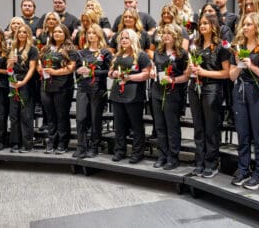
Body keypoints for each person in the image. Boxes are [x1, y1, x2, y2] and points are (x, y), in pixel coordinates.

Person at [229, 13, 259, 188]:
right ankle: (243, 169)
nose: (245, 27)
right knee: (242, 134)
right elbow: (232, 76)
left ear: (257, 26)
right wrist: (239, 65)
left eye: (249, 24)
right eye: (244, 24)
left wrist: (252, 66)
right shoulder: (238, 47)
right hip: (240, 90)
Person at [188, 14, 231, 178]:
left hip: (212, 88)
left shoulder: (221, 47)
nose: (202, 26)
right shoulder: (195, 45)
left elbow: (227, 73)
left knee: (211, 128)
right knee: (198, 127)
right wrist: (191, 68)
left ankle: (211, 163)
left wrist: (205, 72)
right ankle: (199, 161)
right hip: (195, 87)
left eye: (206, 23)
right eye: (201, 24)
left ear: (213, 26)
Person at [108, 29, 151, 164]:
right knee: (119, 125)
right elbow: (110, 72)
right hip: (118, 94)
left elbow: (146, 74)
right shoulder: (117, 55)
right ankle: (120, 151)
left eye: (127, 38)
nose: (124, 40)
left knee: (136, 125)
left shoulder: (141, 55)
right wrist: (113, 74)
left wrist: (128, 77)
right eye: (122, 38)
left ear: (133, 39)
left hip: (134, 95)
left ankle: (137, 153)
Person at [150, 24, 189, 170]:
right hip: (157, 91)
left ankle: (173, 157)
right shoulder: (158, 52)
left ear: (176, 36)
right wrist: (152, 73)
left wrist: (174, 80)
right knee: (159, 126)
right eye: (164, 33)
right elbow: (153, 68)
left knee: (171, 126)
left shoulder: (182, 54)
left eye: (169, 33)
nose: (165, 36)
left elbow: (186, 76)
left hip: (173, 92)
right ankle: (163, 155)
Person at [74, 24, 112, 158]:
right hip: (83, 88)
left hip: (97, 89)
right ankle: (81, 146)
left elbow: (109, 72)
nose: (91, 35)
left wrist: (93, 71)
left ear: (99, 35)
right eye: (89, 33)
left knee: (95, 119)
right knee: (80, 118)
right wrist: (78, 71)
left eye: (94, 33)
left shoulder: (105, 52)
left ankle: (94, 146)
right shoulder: (81, 53)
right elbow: (76, 70)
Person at [39, 24, 77, 154]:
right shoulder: (46, 48)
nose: (57, 34)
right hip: (46, 85)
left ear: (65, 34)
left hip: (63, 86)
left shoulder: (71, 49)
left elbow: (71, 68)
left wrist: (55, 72)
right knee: (50, 116)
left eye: (60, 32)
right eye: (55, 31)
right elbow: (39, 62)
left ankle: (62, 143)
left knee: (61, 115)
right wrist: (40, 68)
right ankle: (51, 141)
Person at [7, 24, 38, 153]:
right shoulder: (12, 48)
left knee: (26, 114)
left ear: (28, 34)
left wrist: (23, 82)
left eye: (24, 32)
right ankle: (15, 143)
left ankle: (27, 144)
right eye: (19, 32)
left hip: (26, 82)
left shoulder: (32, 49)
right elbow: (9, 69)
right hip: (13, 81)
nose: (21, 34)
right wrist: (10, 63)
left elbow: (32, 69)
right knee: (14, 114)